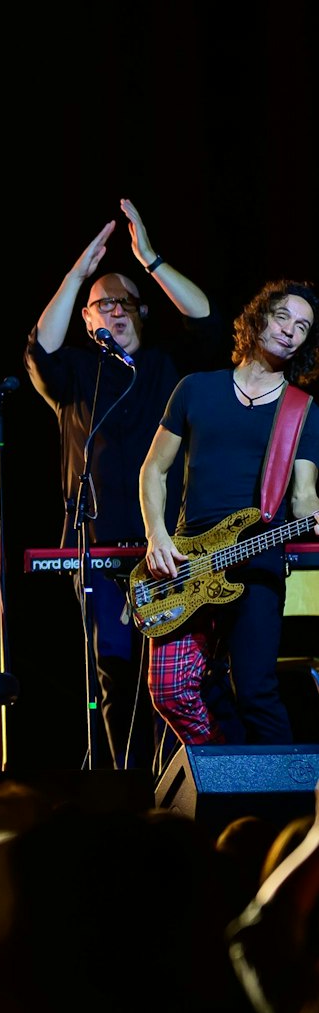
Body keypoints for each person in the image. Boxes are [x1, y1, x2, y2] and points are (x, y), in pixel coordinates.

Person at [24, 200, 219, 769]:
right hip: (100, 549)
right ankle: (128, 792)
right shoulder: (76, 376)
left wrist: (151, 261)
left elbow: (206, 320)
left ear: (143, 313)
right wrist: (76, 278)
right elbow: (41, 347)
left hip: (170, 550)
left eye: (127, 304)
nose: (116, 313)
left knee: (173, 677)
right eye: (103, 305)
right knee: (115, 673)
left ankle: (172, 789)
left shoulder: (165, 367)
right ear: (87, 319)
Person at [140, 280, 319, 746]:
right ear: (259, 317)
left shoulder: (301, 409)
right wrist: (156, 535)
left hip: (258, 561)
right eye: (283, 317)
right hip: (185, 559)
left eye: (303, 327)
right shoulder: (195, 389)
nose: (291, 332)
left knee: (257, 691)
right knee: (170, 689)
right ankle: (226, 772)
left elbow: (303, 497)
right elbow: (153, 471)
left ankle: (283, 813)